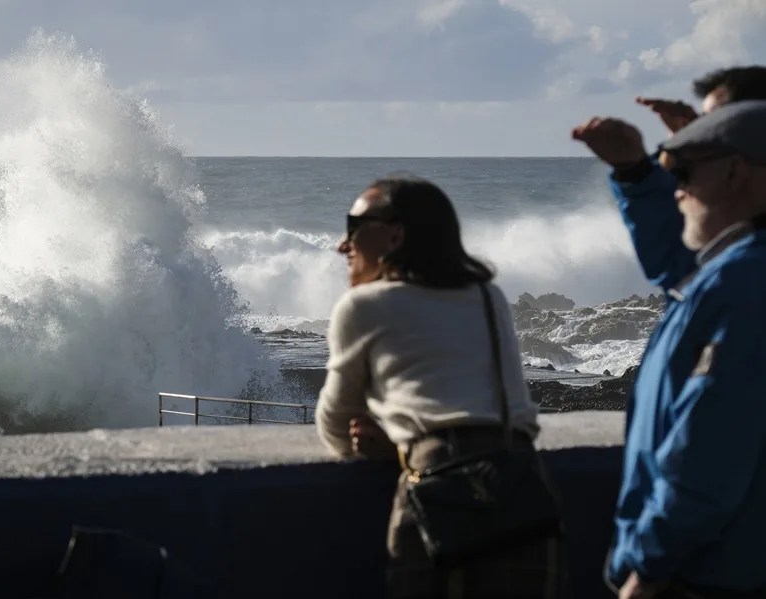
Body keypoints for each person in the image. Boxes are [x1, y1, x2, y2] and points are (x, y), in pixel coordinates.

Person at [315, 176, 559, 598]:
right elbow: (474, 403)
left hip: (435, 491)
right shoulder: (487, 296)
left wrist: (397, 448)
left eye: (354, 226)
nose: (343, 244)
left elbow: (336, 428)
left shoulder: (362, 306)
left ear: (395, 234)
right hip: (521, 482)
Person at [574, 101, 766, 598]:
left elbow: (711, 448)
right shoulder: (729, 271)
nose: (675, 188)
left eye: (682, 171)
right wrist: (636, 174)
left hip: (705, 575)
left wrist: (650, 565)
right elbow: (676, 260)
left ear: (734, 174)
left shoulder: (743, 285)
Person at [584, 66, 766, 293]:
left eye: (709, 131)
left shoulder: (748, 281)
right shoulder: (734, 271)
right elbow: (686, 279)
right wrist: (635, 170)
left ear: (738, 168)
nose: (680, 182)